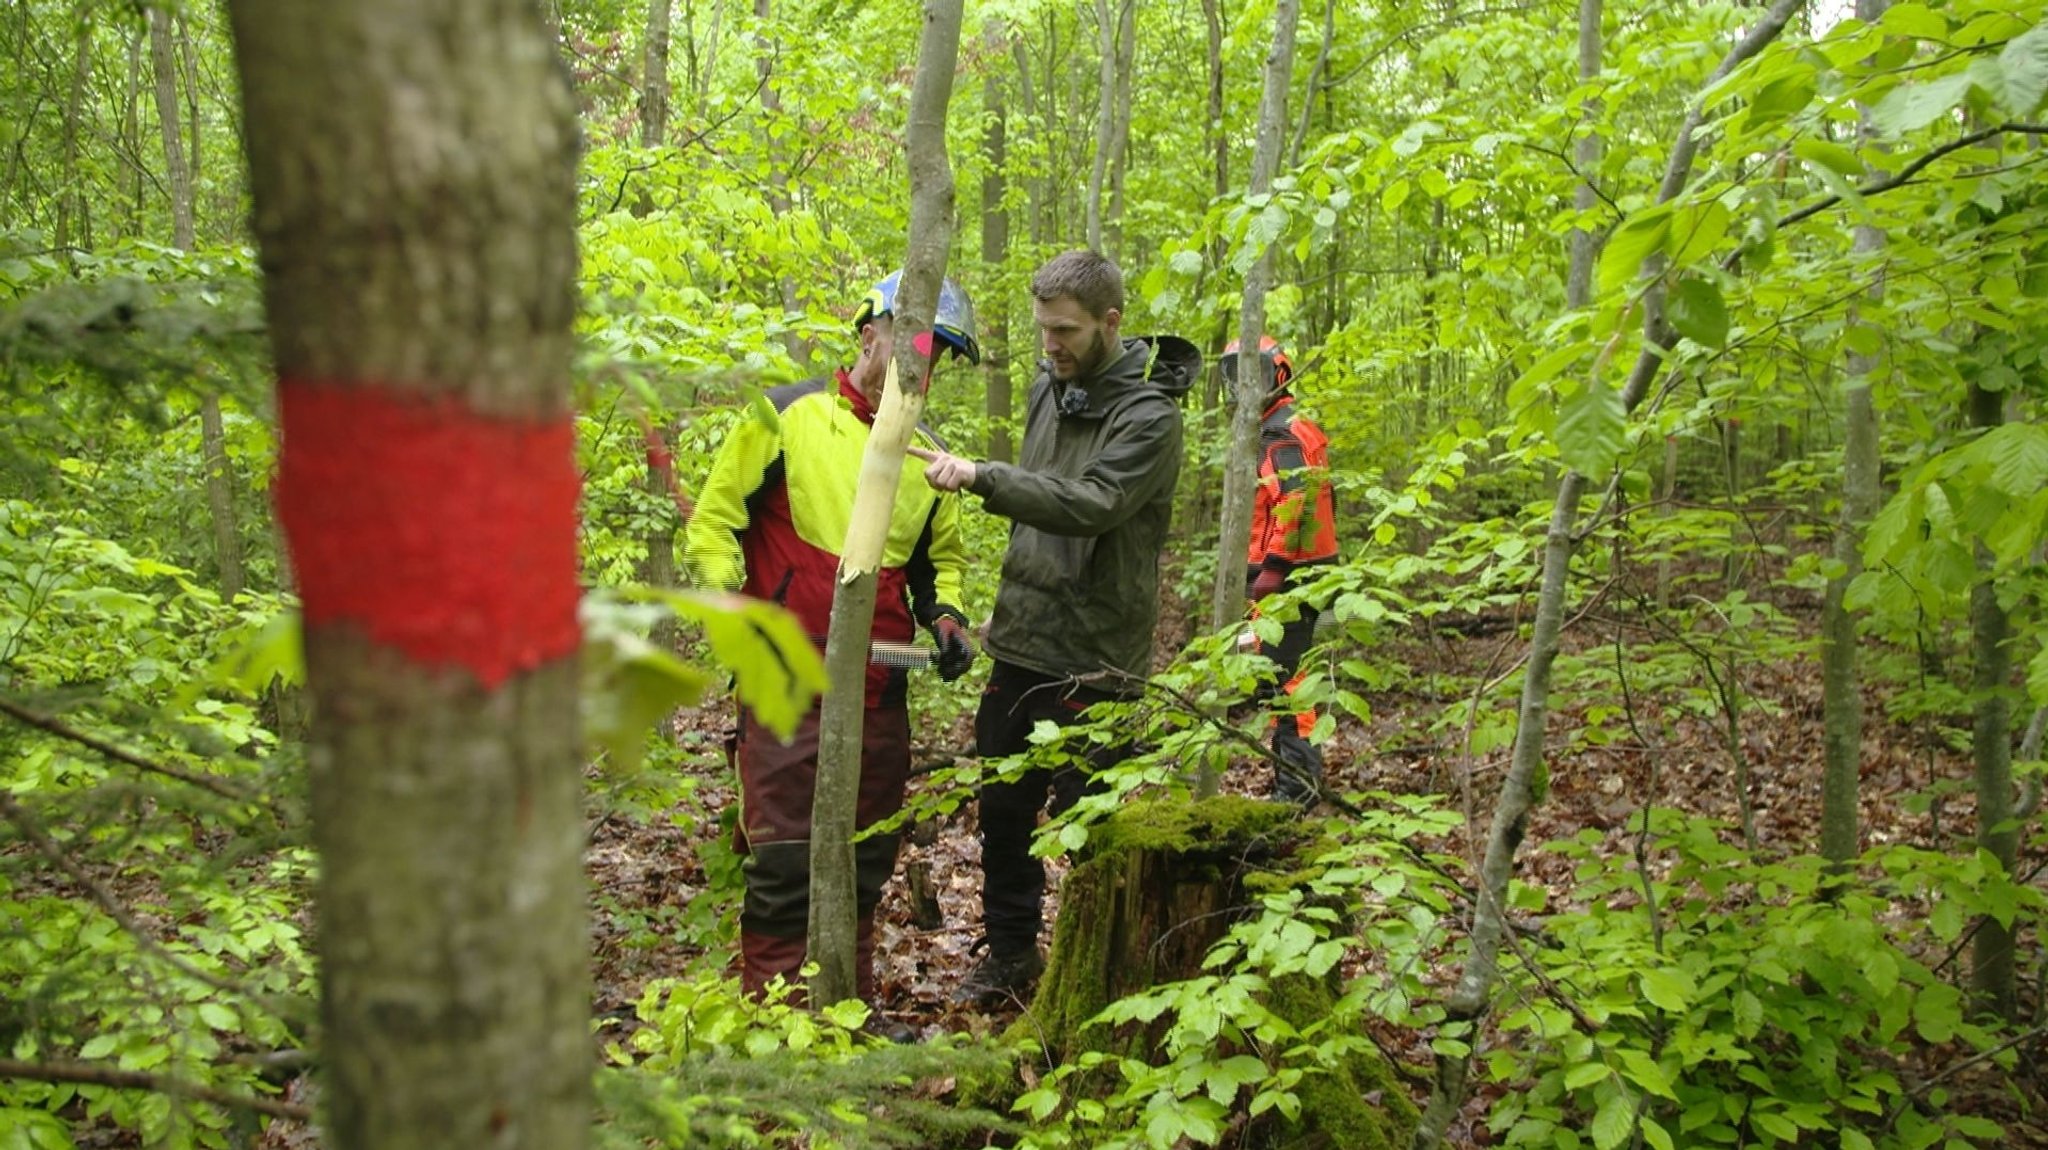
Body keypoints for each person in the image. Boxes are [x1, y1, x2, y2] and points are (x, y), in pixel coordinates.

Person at [683, 269, 981, 1025]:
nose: (923, 360)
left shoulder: (927, 457)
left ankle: (844, 1009)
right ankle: (774, 1023)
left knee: (864, 860)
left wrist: (946, 618)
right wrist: (728, 604)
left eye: (938, 351)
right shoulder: (785, 416)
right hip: (784, 678)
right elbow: (715, 520)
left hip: (880, 691)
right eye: (914, 340)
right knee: (784, 860)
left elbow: (939, 562)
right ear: (869, 333)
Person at [909, 249, 1200, 1005]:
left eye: (1065, 331)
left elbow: (1095, 502)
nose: (1051, 346)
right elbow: (1042, 498)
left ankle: (1095, 972)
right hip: (1020, 639)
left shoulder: (1150, 416)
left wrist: (983, 477)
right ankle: (1010, 956)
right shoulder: (1047, 383)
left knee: (1091, 828)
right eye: (1043, 331)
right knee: (1003, 813)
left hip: (1096, 658)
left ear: (1110, 323)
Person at [1227, 335, 1338, 804]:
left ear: (1277, 375)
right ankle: (1295, 781)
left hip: (1291, 575)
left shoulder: (1279, 433)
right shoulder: (1297, 425)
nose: (1241, 386)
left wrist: (1272, 568)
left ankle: (1297, 789)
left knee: (1289, 683)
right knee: (1287, 677)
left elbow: (1292, 502)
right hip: (1310, 570)